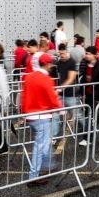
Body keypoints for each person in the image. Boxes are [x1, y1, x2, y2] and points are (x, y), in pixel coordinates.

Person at [21, 53, 62, 186]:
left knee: (42, 145)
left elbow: (23, 96)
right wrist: (61, 109)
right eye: (50, 64)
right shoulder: (47, 79)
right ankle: (33, 176)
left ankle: (48, 165)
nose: (51, 66)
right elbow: (52, 99)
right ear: (47, 64)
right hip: (42, 116)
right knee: (40, 148)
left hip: (30, 116)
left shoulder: (29, 77)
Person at [54, 44, 84, 144]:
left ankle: (88, 133)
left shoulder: (72, 62)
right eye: (60, 53)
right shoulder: (59, 63)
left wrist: (60, 88)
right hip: (60, 94)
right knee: (56, 115)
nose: (61, 55)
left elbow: (71, 79)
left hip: (70, 93)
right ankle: (53, 136)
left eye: (63, 53)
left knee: (78, 114)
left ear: (67, 52)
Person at [79, 46, 99, 136]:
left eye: (88, 54)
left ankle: (88, 137)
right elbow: (83, 79)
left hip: (95, 95)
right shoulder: (85, 64)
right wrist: (82, 93)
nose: (86, 55)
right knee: (92, 114)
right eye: (86, 53)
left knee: (89, 115)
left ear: (95, 55)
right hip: (87, 94)